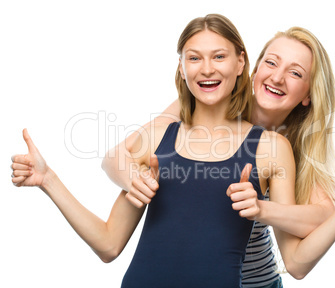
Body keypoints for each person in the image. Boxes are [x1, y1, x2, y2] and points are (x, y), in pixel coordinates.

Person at [11, 14, 296, 288]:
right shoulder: (156, 138)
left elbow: (294, 257)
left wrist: (333, 208)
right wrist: (48, 179)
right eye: (194, 58)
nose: (207, 68)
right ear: (182, 68)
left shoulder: (271, 149)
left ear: (240, 62)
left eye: (219, 56)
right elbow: (109, 244)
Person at [101, 22, 335, 287]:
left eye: (295, 72)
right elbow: (118, 155)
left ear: (308, 94)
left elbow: (301, 257)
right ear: (251, 69)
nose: (277, 77)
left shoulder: (289, 151)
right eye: (271, 62)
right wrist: (134, 181)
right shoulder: (206, 101)